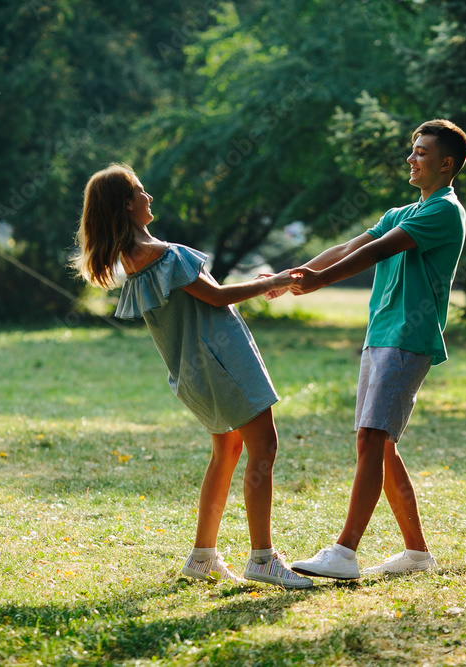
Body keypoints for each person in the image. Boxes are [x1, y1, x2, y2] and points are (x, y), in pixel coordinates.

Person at [72, 163, 312, 589]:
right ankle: (262, 559)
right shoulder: (166, 255)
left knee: (228, 451)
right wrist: (273, 281)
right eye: (142, 192)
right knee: (264, 448)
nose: (150, 198)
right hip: (225, 361)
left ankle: (203, 557)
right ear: (128, 204)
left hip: (193, 372)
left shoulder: (135, 261)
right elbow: (216, 297)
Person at [280, 119, 466, 579]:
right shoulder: (402, 210)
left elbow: (378, 252)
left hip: (408, 337)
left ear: (446, 164)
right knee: (379, 445)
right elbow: (350, 245)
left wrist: (321, 281)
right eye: (412, 150)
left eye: (421, 152)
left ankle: (345, 552)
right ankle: (417, 555)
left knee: (371, 439)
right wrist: (294, 274)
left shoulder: (444, 211)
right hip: (382, 334)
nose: (411, 158)